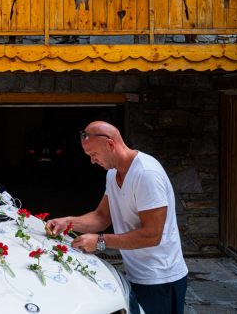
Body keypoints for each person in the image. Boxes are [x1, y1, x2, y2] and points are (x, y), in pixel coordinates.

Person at [48, 122, 188, 314]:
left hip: (161, 278)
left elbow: (152, 235)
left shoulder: (146, 174)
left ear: (111, 145)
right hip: (135, 275)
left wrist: (100, 241)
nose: (92, 161)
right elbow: (102, 217)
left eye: (93, 154)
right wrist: (66, 222)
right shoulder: (113, 174)